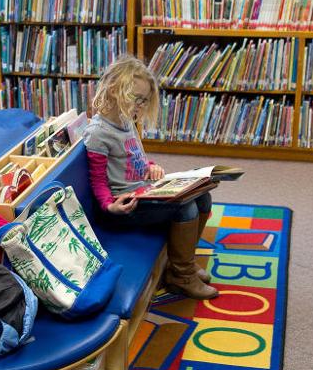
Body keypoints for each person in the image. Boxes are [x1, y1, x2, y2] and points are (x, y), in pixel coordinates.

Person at [84, 54, 217, 300]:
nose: (140, 107)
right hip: (123, 208)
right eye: (136, 99)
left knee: (202, 196)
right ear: (114, 90)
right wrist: (110, 206)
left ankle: (183, 262)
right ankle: (181, 276)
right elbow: (98, 181)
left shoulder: (126, 122)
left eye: (144, 101)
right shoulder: (98, 134)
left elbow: (134, 161)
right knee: (184, 208)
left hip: (144, 190)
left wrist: (151, 167)